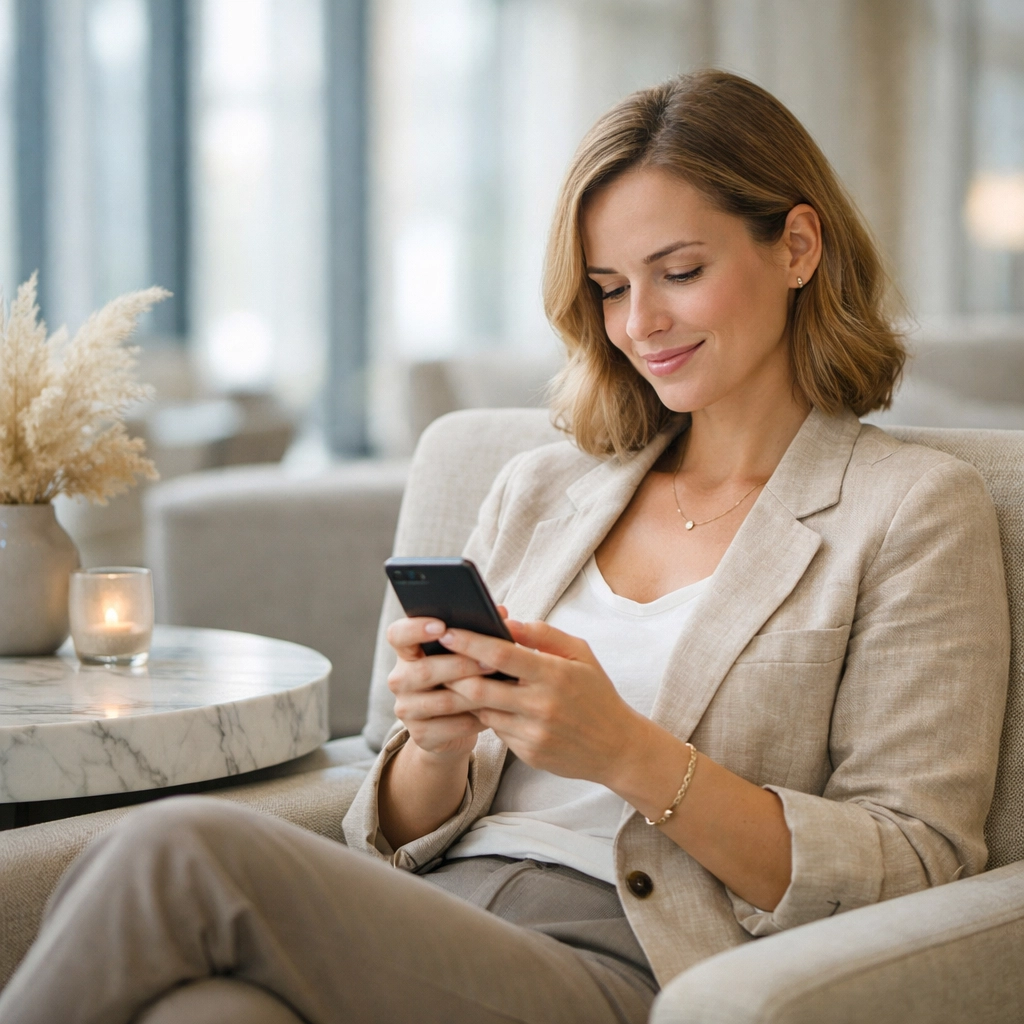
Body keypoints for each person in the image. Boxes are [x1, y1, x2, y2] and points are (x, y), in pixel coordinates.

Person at [0, 69, 1009, 1024]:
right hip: (430, 919)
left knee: (177, 845)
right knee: (201, 1012)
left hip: (630, 960)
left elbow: (913, 857)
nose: (640, 322)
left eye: (680, 272)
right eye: (610, 287)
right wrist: (433, 747)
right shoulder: (542, 486)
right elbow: (388, 826)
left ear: (796, 247)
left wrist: (628, 753)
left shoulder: (911, 509)